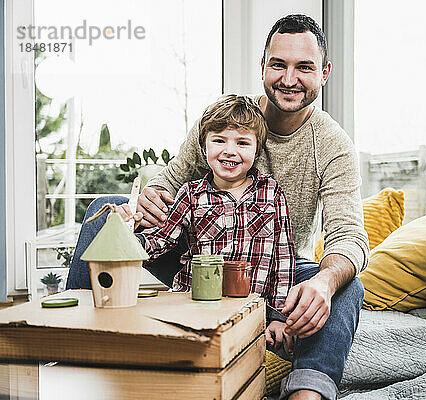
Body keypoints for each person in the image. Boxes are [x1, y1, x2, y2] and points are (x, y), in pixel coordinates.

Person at [67, 14, 368, 400]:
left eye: (304, 68)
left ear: (324, 73)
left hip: (274, 265)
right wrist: (149, 196)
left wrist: (324, 283)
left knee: (346, 285)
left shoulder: (333, 144)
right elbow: (171, 179)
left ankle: (308, 389)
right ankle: (72, 347)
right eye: (279, 64)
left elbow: (350, 235)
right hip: (198, 255)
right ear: (263, 67)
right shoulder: (227, 119)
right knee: (106, 208)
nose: (289, 78)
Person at [113, 95, 295, 346]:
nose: (229, 151)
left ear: (257, 149)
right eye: (219, 140)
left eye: (242, 143)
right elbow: (161, 241)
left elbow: (283, 260)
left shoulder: (272, 193)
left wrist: (278, 317)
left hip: (250, 310)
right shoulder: (191, 193)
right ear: (204, 147)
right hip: (193, 308)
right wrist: (126, 234)